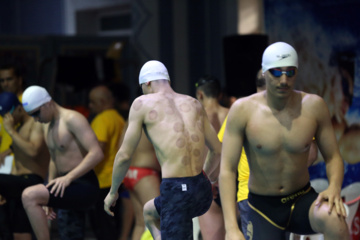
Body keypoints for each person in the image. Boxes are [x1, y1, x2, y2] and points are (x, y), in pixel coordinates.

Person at [219, 42, 349, 240]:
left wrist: (334, 187)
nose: (284, 80)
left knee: (335, 220)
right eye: (276, 73)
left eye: (290, 72)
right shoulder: (243, 110)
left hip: (302, 199)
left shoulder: (314, 107)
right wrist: (231, 228)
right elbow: (227, 170)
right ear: (264, 72)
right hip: (263, 208)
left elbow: (333, 158)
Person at [104, 60, 222, 240]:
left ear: (147, 83)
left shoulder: (142, 103)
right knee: (149, 212)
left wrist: (113, 192)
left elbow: (124, 155)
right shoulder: (194, 103)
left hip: (175, 190)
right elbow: (217, 150)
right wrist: (207, 179)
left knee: (172, 213)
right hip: (201, 192)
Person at [217, 69, 318, 238]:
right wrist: (286, 170)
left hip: (257, 196)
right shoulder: (291, 113)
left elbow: (219, 155)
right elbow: (312, 154)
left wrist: (209, 177)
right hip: (268, 196)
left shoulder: (241, 110)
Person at [20, 85, 103, 240]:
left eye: (36, 113)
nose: (36, 119)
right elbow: (54, 158)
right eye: (32, 116)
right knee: (69, 235)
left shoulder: (72, 119)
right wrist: (49, 191)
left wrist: (68, 177)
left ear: (47, 103)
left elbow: (97, 153)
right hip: (63, 185)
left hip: (83, 184)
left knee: (29, 195)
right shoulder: (47, 125)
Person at [0, 92, 49, 240]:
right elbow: (18, 161)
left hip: (32, 180)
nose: (6, 121)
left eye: (8, 116)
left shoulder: (35, 123)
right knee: (19, 232)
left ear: (19, 109)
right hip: (17, 183)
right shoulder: (20, 129)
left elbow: (33, 151)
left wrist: (10, 131)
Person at [87, 85, 126, 240]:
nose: (89, 106)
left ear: (102, 101)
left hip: (103, 181)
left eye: (92, 102)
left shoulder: (102, 119)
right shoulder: (119, 118)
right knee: (114, 225)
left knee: (103, 228)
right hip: (117, 179)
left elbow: (98, 150)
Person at [195, 75, 229, 240]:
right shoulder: (233, 115)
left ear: (200, 95)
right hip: (233, 184)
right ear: (220, 95)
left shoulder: (197, 117)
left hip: (209, 184)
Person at [0, 62, 26, 240]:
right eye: (1, 80)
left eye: (9, 79)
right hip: (4, 170)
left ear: (19, 80)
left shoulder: (28, 102)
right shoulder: (2, 103)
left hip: (23, 169)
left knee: (21, 226)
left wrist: (8, 151)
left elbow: (34, 137)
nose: (5, 83)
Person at [122, 125, 161, 240]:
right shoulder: (154, 120)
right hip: (145, 174)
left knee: (140, 223)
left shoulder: (130, 120)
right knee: (157, 219)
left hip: (129, 172)